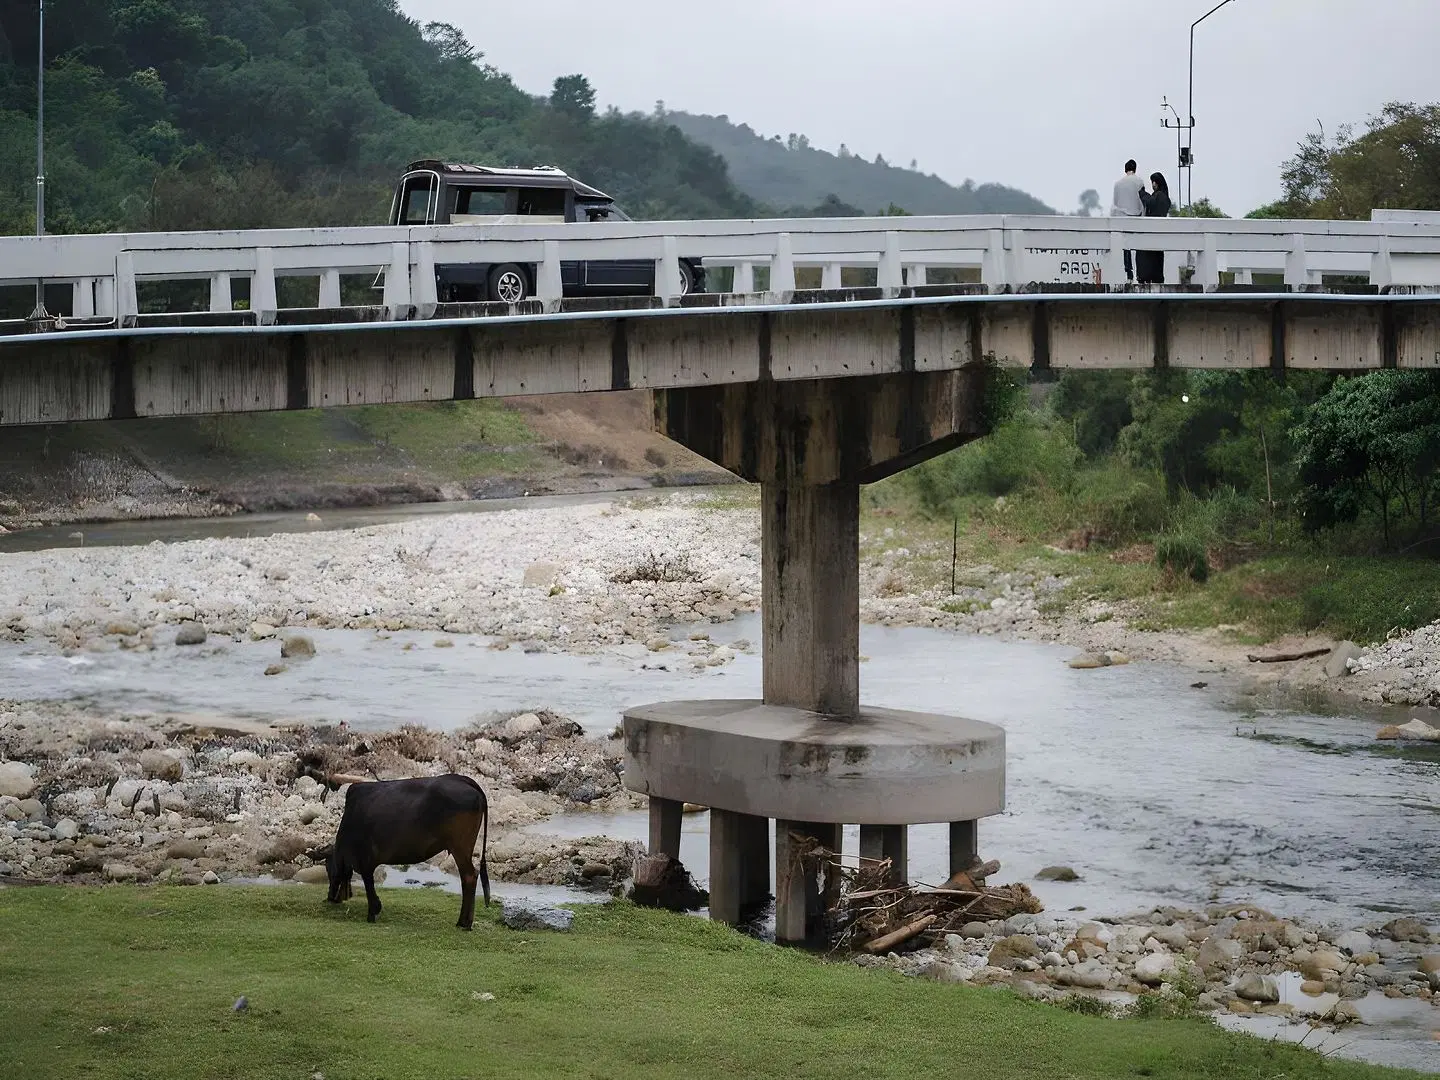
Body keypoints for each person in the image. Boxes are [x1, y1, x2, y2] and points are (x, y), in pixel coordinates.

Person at [1111, 159, 1145, 281]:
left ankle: (1128, 272)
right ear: (1135, 168)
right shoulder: (1139, 182)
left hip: (1122, 217)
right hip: (1137, 217)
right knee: (1138, 246)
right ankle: (1139, 273)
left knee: (1126, 247)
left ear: (1125, 169)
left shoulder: (1118, 184)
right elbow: (1143, 200)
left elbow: (1115, 202)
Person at [1135, 172, 1172, 284]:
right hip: (1159, 232)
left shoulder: (1159, 196)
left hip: (1152, 231)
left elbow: (1150, 202)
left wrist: (1141, 192)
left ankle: (1144, 277)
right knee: (1157, 258)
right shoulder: (1164, 197)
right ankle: (1156, 277)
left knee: (1145, 256)